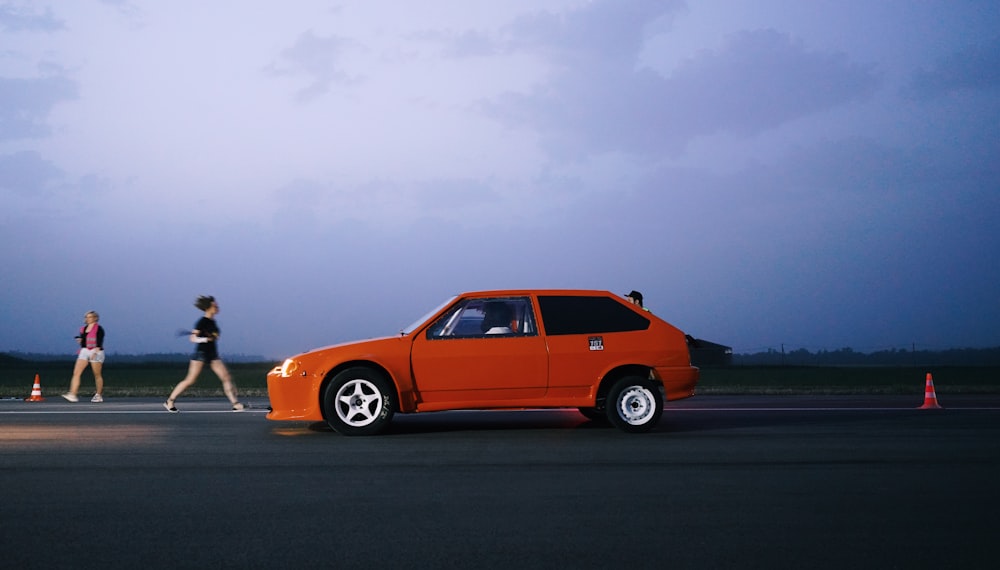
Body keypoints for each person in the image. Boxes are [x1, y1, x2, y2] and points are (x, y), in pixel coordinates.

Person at [164, 295, 244, 412]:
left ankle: (235, 404)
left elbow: (215, 336)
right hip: (201, 354)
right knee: (190, 380)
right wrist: (205, 339)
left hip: (213, 354)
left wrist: (213, 337)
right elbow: (192, 338)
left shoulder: (213, 322)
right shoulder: (202, 322)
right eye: (214, 305)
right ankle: (170, 401)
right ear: (208, 308)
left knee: (226, 377)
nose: (217, 306)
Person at [62, 311, 106, 403]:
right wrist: (80, 341)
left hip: (96, 351)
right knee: (76, 372)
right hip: (85, 350)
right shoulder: (83, 329)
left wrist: (96, 351)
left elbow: (99, 341)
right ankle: (73, 394)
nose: (87, 319)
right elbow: (84, 343)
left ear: (95, 318)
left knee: (97, 374)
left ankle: (98, 394)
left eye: (89, 317)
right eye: (86, 317)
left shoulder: (99, 328)